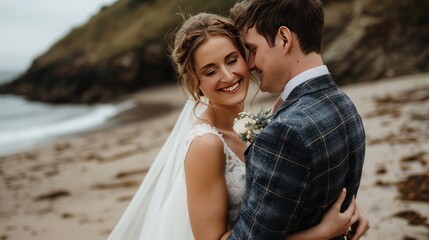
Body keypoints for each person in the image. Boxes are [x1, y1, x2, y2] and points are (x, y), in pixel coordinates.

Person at [108, 13, 367, 240]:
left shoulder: (258, 124)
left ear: (246, 58)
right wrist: (319, 234)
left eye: (232, 60)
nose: (228, 76)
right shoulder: (206, 144)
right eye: (210, 71)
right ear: (195, 81)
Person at [223, 0, 369, 239]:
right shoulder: (345, 106)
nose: (249, 65)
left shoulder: (285, 132)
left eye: (254, 50)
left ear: (283, 38)